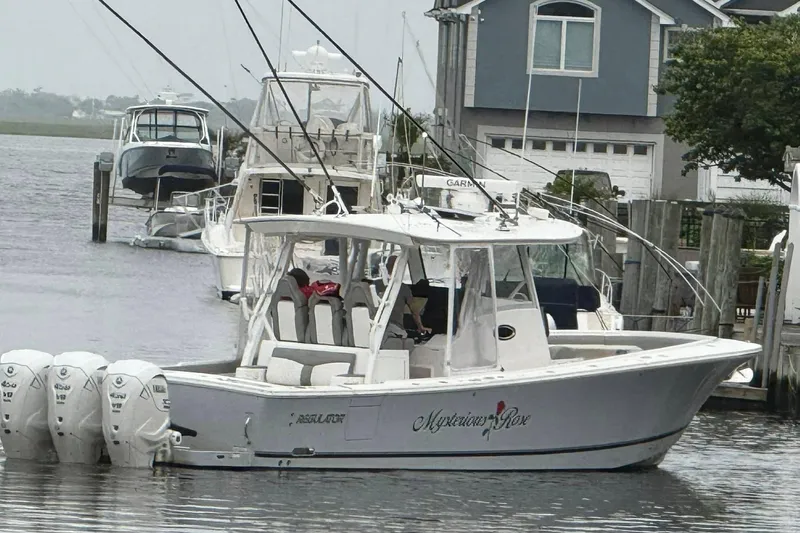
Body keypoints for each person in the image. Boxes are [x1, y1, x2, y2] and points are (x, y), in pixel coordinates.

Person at [384, 255, 431, 338]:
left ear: (386, 267)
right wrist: (421, 328)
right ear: (400, 269)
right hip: (396, 329)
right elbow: (415, 312)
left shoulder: (377, 285)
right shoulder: (403, 288)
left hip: (379, 328)